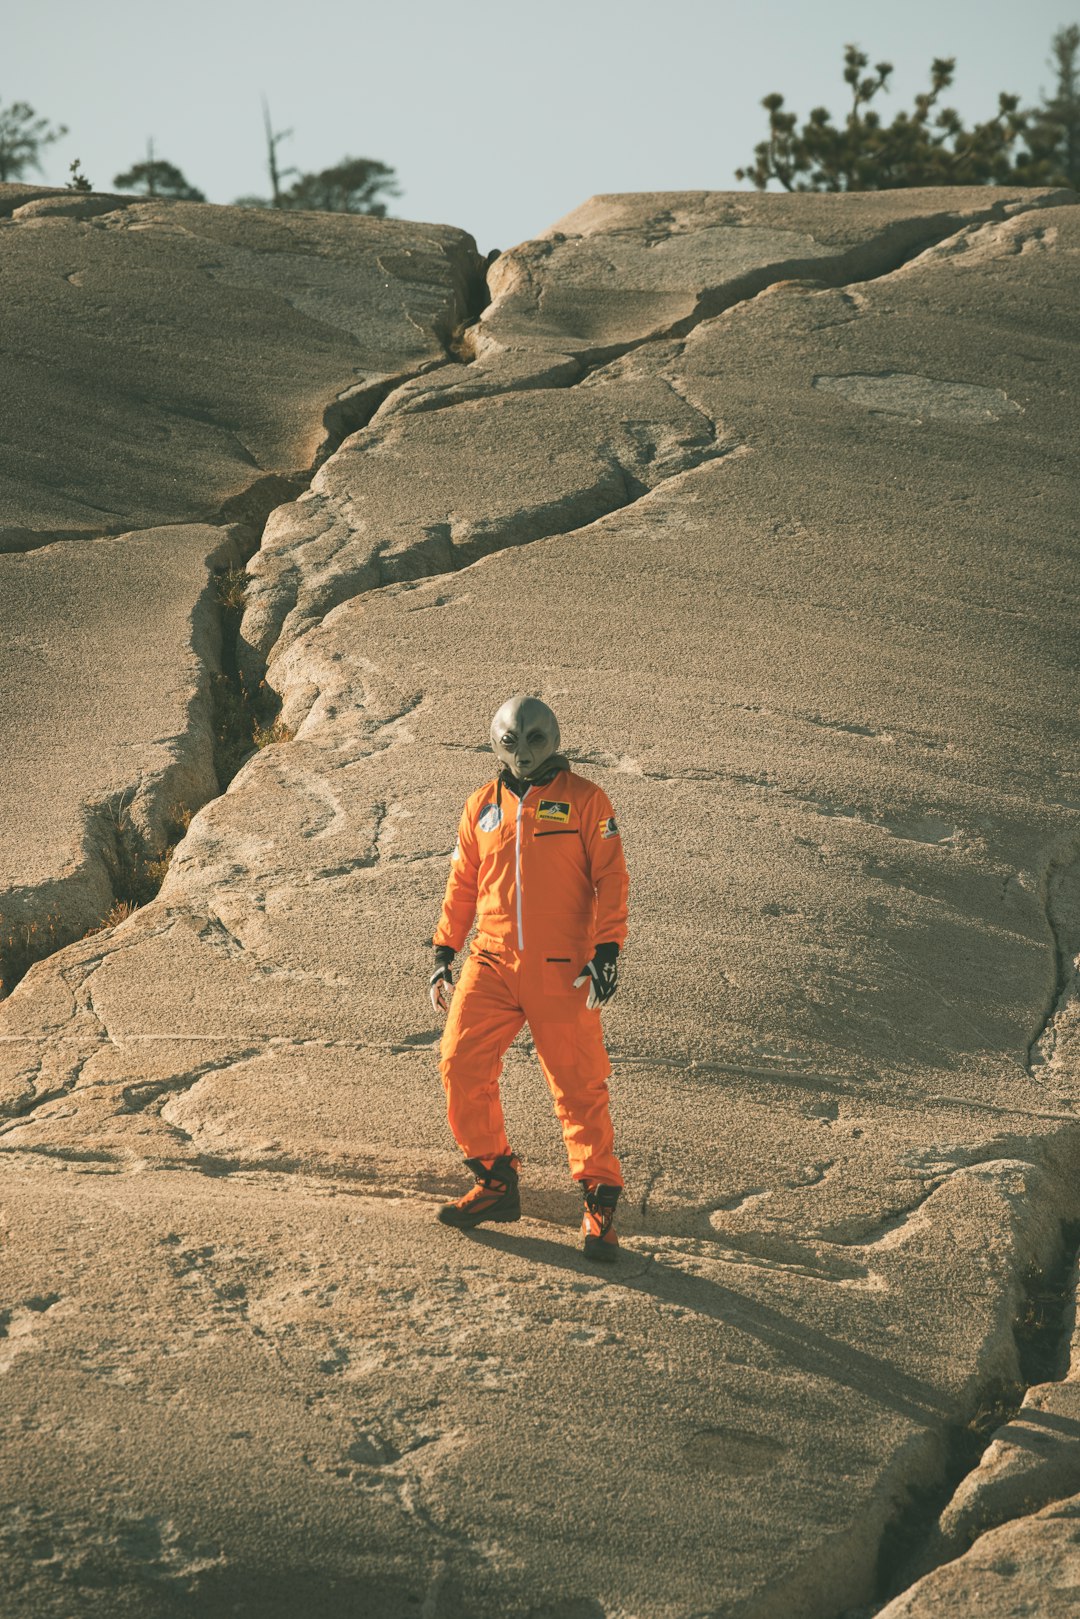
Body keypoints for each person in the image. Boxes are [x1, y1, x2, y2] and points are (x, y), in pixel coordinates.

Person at [429, 696, 628, 1261]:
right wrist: (445, 949)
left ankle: (599, 1209)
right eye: (510, 742)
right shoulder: (480, 807)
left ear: (555, 738)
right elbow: (463, 881)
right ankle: (495, 1181)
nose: (523, 753)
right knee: (459, 1064)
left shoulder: (587, 801)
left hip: (563, 968)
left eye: (535, 740)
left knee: (579, 1088)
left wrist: (607, 950)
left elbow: (611, 878)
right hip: (490, 962)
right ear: (496, 743)